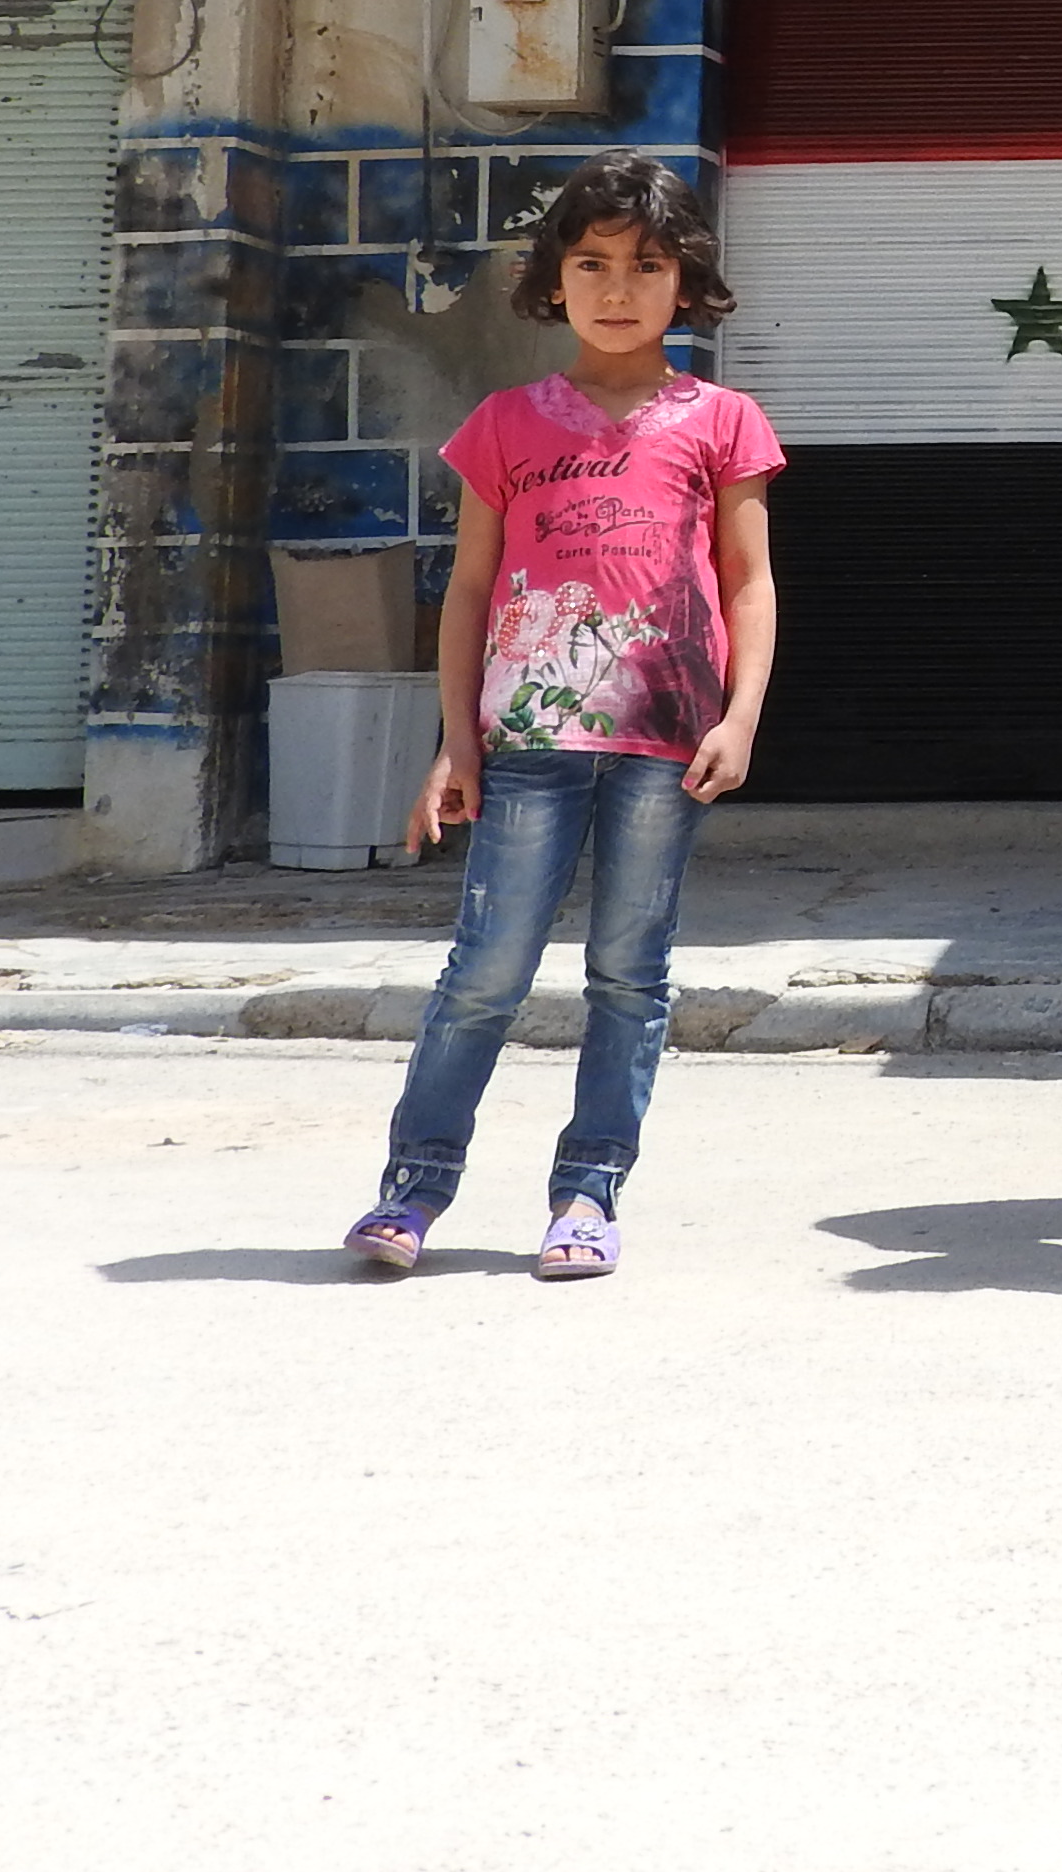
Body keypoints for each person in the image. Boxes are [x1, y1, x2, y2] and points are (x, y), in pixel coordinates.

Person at [344, 151, 781, 1283]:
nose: (619, 287)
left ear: (685, 282)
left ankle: (587, 1196)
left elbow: (747, 581)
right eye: (591, 263)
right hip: (530, 744)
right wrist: (456, 741)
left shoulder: (722, 420)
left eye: (647, 264)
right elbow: (473, 592)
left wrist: (741, 716)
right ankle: (412, 1190)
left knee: (630, 978)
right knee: (485, 973)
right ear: (555, 280)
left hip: (662, 746)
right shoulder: (505, 425)